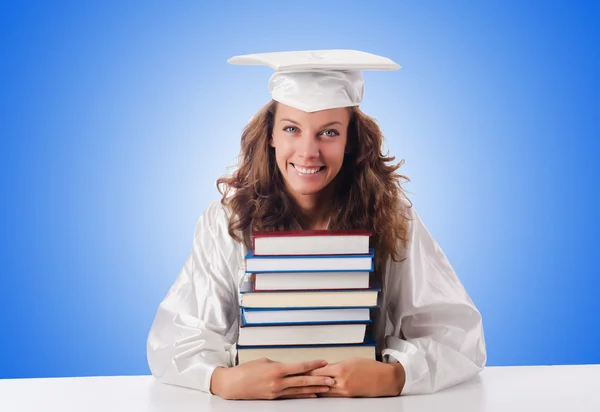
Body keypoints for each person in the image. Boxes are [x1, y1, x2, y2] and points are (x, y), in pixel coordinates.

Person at [146, 50, 486, 400]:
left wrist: (396, 377)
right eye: (292, 128)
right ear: (270, 136)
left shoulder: (393, 217)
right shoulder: (227, 222)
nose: (308, 151)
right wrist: (221, 381)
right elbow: (177, 337)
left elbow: (457, 335)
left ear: (351, 142)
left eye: (328, 132)